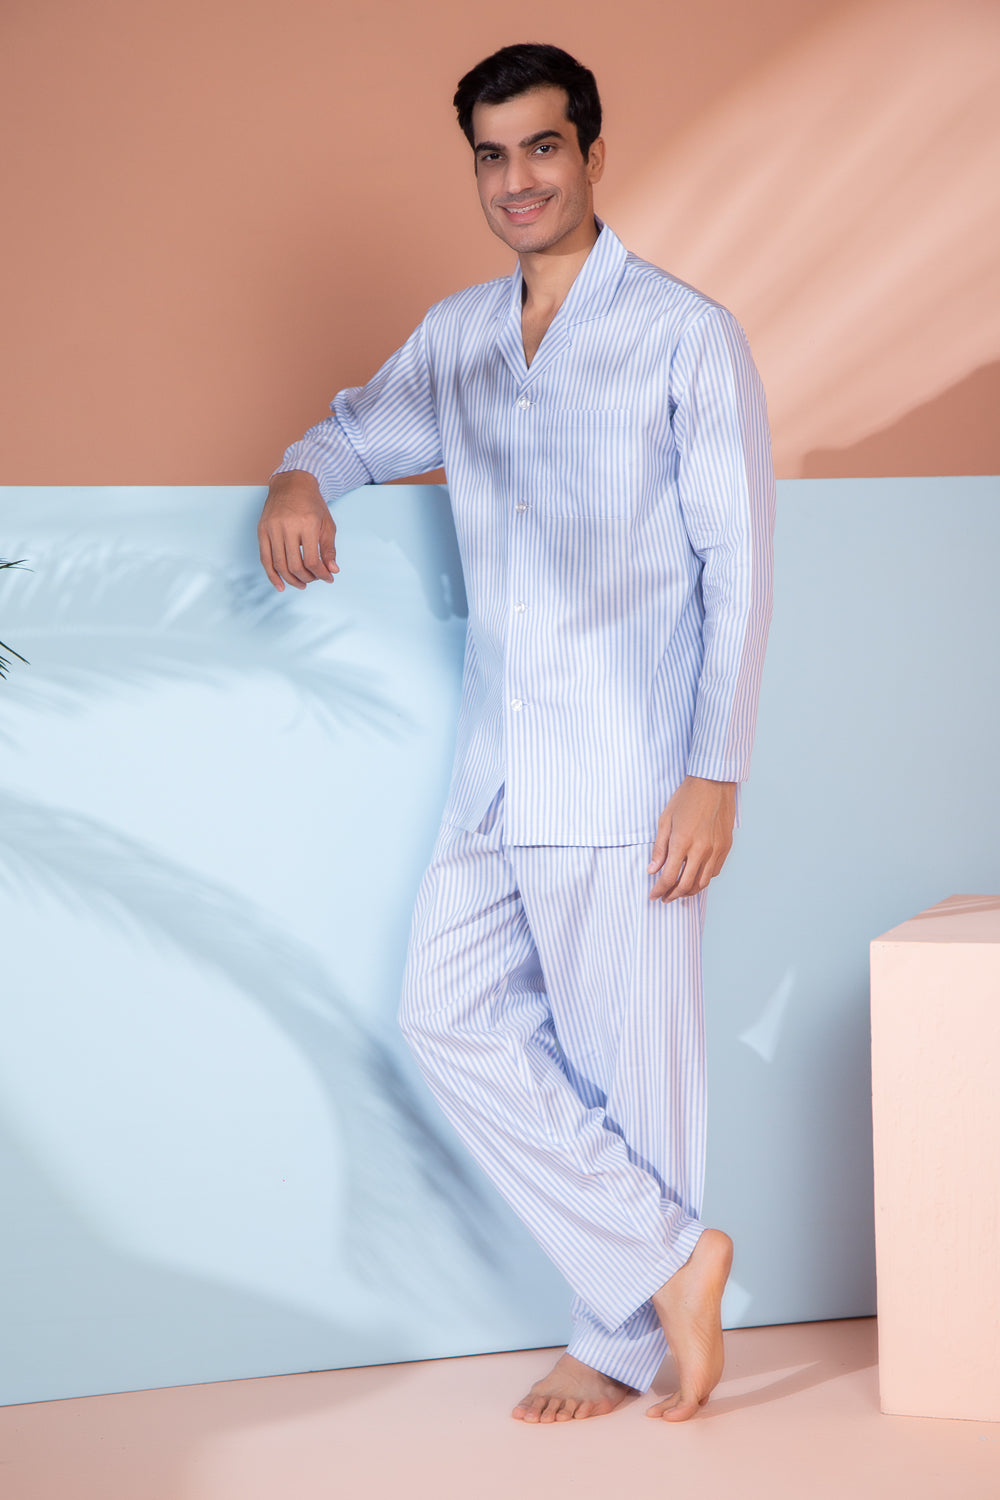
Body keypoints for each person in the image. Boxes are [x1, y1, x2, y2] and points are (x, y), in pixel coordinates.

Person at [257, 42, 774, 1425]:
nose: (516, 180)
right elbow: (357, 433)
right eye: (492, 156)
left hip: (631, 763)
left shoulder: (684, 335)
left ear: (592, 155)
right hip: (499, 761)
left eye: (542, 148)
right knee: (445, 1013)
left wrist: (714, 771)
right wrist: (300, 475)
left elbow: (739, 564)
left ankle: (620, 1340)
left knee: (632, 1065)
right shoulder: (460, 338)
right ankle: (669, 1262)